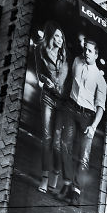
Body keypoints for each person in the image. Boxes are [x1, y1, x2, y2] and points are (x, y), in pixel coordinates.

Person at [58, 36, 107, 205]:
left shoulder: (100, 79)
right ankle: (67, 183)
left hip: (87, 117)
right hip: (71, 109)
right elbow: (70, 80)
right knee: (64, 145)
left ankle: (76, 192)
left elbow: (100, 107)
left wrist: (93, 126)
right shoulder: (77, 62)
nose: (86, 52)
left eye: (90, 51)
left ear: (96, 55)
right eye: (85, 49)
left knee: (83, 156)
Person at [33, 21, 69, 193]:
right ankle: (45, 178)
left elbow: (67, 81)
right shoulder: (40, 50)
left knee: (57, 142)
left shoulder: (65, 56)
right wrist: (44, 80)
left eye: (61, 36)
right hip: (47, 97)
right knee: (46, 138)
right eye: (56, 36)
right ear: (50, 37)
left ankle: (56, 173)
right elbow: (39, 73)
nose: (60, 39)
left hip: (62, 102)